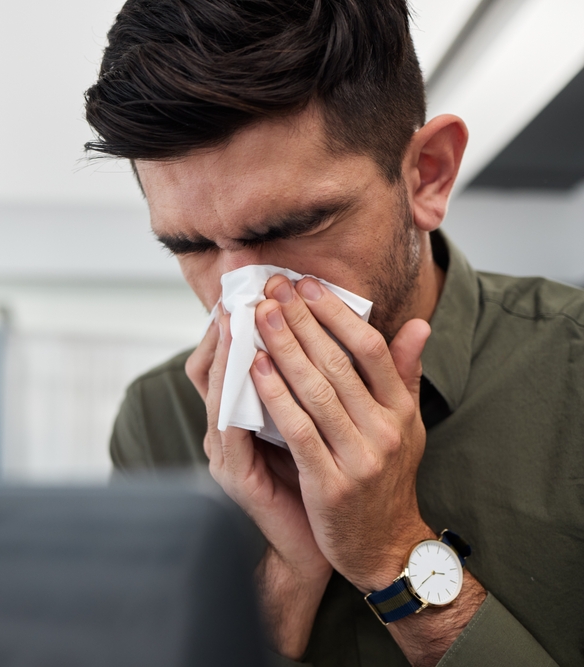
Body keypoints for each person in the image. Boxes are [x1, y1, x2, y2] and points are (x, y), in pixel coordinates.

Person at [83, 1, 584, 666]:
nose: (246, 300)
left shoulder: (571, 378)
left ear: (426, 175)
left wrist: (391, 551)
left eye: (289, 227)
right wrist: (286, 576)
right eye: (192, 245)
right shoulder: (158, 420)